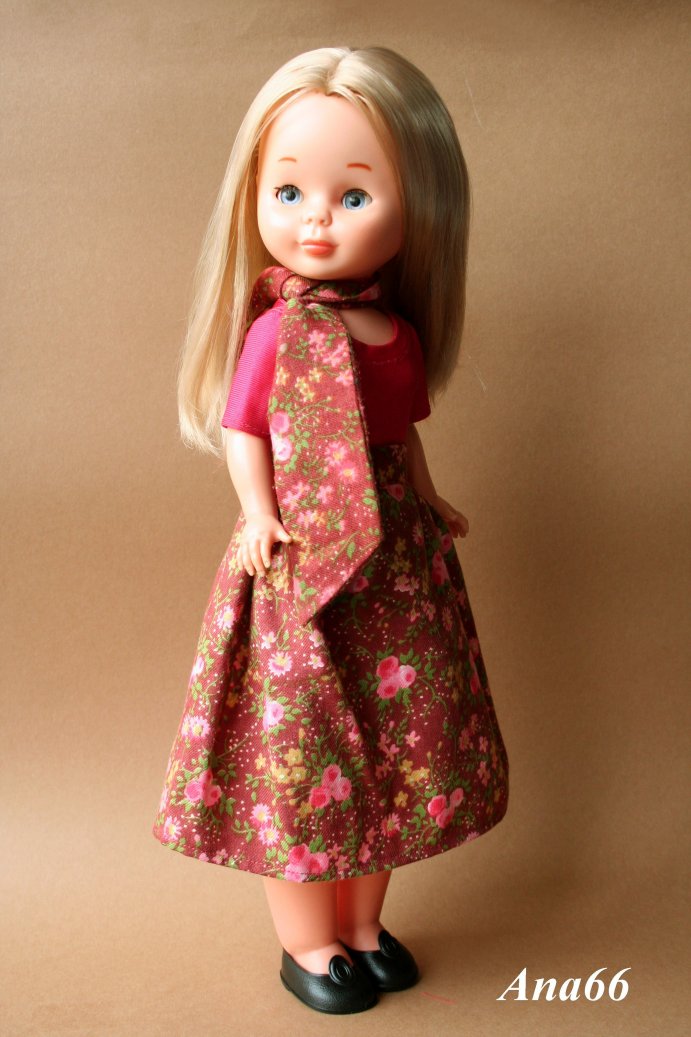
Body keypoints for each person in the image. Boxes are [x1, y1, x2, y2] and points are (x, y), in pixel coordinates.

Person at [152, 46, 509, 1015]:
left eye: (352, 196)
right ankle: (308, 940)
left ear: (418, 209)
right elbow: (244, 429)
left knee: (395, 743)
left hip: (395, 568)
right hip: (301, 567)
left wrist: (429, 497)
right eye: (288, 191)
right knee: (303, 750)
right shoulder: (278, 332)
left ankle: (361, 925)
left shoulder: (397, 335)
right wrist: (260, 512)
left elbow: (400, 435)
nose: (315, 218)